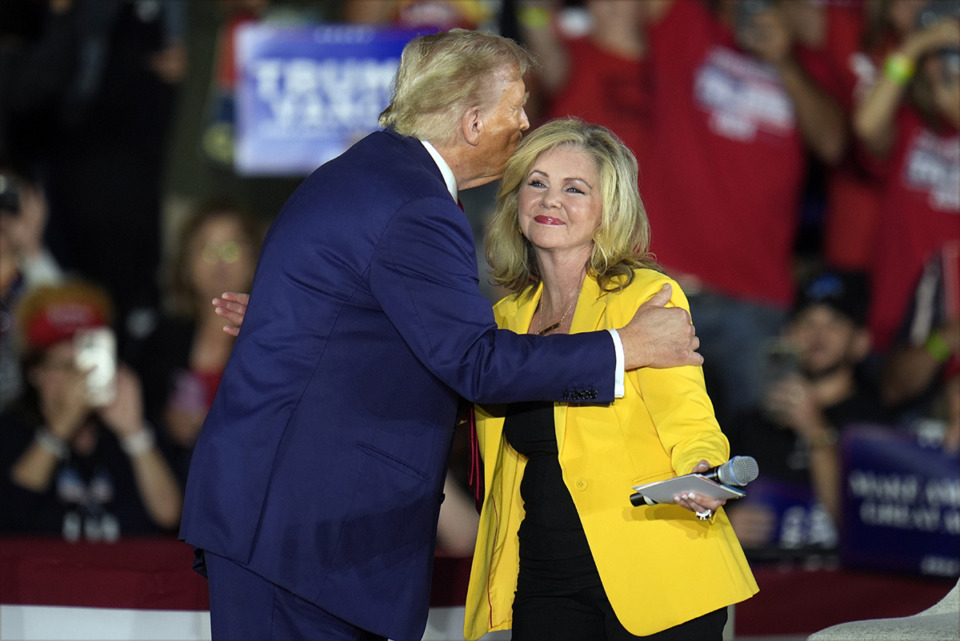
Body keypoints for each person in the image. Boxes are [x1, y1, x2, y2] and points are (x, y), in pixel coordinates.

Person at [180, 29, 702, 641]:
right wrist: (627, 348)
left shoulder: (373, 172)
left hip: (291, 526)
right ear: (475, 122)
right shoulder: (414, 204)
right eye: (518, 106)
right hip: (305, 535)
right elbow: (474, 363)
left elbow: (385, 339)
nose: (527, 122)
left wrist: (322, 331)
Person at [461, 118, 756, 641]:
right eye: (537, 182)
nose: (550, 200)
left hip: (658, 572)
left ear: (608, 210)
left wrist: (702, 469)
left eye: (575, 189)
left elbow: (686, 414)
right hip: (544, 575)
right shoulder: (502, 319)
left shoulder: (645, 298)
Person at [634, 0, 848, 425]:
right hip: (664, 285)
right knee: (646, 436)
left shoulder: (806, 61)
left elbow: (833, 145)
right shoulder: (687, 23)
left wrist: (784, 61)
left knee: (762, 447)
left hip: (757, 298)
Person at [724, 269, 890, 553]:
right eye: (807, 323)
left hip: (839, 586)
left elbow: (869, 531)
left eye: (835, 323)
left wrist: (815, 429)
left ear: (861, 343)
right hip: (764, 583)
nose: (818, 335)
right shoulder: (752, 422)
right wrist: (724, 526)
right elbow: (706, 504)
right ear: (788, 335)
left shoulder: (876, 428)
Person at [0, 280, 182, 539]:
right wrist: (59, 429)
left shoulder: (126, 430)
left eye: (86, 363)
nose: (78, 377)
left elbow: (169, 516)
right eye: (65, 366)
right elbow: (10, 514)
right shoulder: (13, 430)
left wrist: (135, 434)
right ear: (35, 372)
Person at [852, 0, 960, 353]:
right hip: (895, 318)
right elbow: (867, 125)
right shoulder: (910, 125)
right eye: (936, 56)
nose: (945, 66)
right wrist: (914, 45)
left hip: (952, 329)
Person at [130, 200, 263, 484]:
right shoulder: (161, 338)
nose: (219, 261)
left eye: (231, 249)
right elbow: (137, 411)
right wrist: (167, 422)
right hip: (179, 486)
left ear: (254, 260)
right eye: (206, 249)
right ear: (186, 265)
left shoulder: (273, 334)